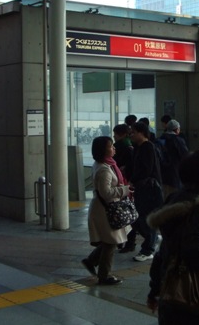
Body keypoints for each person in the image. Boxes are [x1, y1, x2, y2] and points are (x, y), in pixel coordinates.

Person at [146, 151, 199, 324]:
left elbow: (163, 252)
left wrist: (155, 290)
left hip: (170, 289)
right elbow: (195, 252)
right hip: (194, 294)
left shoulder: (174, 200)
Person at [82, 136, 132, 285]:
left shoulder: (104, 164)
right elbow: (106, 192)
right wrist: (125, 190)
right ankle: (104, 276)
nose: (114, 148)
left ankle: (91, 261)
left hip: (104, 207)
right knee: (111, 242)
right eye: (111, 146)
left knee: (109, 240)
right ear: (103, 150)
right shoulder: (104, 169)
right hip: (105, 209)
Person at [129, 122, 164, 262]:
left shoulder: (147, 147)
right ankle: (153, 239)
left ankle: (148, 249)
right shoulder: (139, 147)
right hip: (143, 188)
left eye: (133, 132)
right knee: (139, 218)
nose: (131, 135)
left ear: (141, 132)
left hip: (149, 189)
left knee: (144, 218)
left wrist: (132, 180)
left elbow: (146, 169)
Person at [112, 124, 136, 253]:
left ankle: (126, 242)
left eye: (115, 134)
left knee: (123, 214)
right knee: (126, 213)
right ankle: (126, 241)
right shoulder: (131, 146)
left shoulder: (122, 147)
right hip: (126, 185)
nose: (114, 136)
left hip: (122, 185)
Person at [157, 119, 189, 200]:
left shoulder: (159, 140)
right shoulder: (178, 140)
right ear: (177, 129)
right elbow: (185, 156)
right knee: (175, 198)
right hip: (175, 175)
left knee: (165, 198)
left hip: (161, 175)